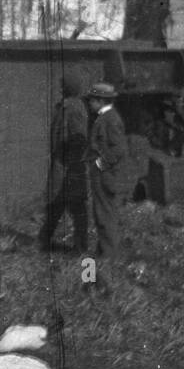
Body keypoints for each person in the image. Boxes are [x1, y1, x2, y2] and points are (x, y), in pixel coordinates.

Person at [39, 69, 90, 253]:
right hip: (65, 165)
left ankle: (77, 246)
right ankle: (49, 242)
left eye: (63, 85)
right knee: (65, 205)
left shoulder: (71, 107)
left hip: (67, 165)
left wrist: (68, 156)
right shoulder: (70, 106)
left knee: (69, 206)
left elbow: (78, 138)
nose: (60, 88)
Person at [85, 81, 127, 281]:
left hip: (106, 176)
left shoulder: (110, 120)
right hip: (102, 176)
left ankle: (109, 259)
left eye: (92, 100)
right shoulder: (105, 117)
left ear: (101, 100)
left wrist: (102, 163)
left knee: (105, 216)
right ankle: (104, 253)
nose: (90, 103)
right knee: (102, 214)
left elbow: (119, 149)